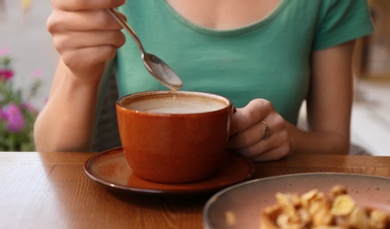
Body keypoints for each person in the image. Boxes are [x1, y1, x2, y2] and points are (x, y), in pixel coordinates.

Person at [34, 0, 374, 161]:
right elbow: (55, 152)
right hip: (146, 216)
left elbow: (335, 145)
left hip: (271, 211)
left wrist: (286, 138)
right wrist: (80, 74)